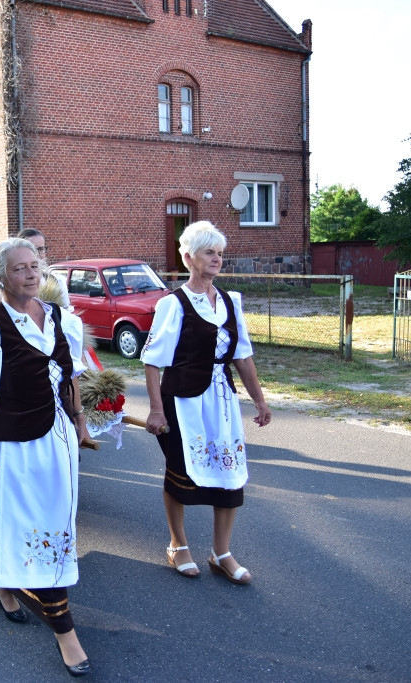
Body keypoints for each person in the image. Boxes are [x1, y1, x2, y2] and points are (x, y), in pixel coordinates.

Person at [0, 237, 91, 677]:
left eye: (35, 265)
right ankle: (65, 632)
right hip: (13, 447)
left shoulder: (62, 319)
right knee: (32, 528)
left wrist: (81, 421)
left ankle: (4, 584)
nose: (32, 274)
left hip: (59, 442)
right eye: (20, 269)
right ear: (1, 278)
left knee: (57, 525)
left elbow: (69, 379)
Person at [141, 220, 271, 585]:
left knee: (229, 475)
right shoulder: (174, 304)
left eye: (220, 253)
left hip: (222, 402)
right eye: (209, 252)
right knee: (181, 472)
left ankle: (222, 552)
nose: (217, 259)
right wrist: (155, 408)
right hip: (182, 403)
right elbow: (153, 361)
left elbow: (242, 357)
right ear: (188, 257)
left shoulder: (231, 301)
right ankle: (178, 544)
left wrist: (259, 401)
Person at [0, 229, 69, 309]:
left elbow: (65, 312)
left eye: (41, 249)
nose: (36, 254)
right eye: (31, 249)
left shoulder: (56, 281)